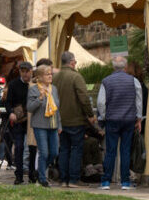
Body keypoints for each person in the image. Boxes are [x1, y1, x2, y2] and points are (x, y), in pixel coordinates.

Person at [97, 55, 143, 190]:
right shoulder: (134, 81)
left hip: (112, 120)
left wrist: (104, 116)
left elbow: (100, 102)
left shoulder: (106, 81)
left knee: (110, 151)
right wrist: (138, 118)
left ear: (113, 67)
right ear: (125, 67)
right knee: (125, 150)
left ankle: (106, 181)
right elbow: (138, 101)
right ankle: (125, 182)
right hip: (129, 120)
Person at [55, 50, 97, 188]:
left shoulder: (54, 78)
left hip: (59, 120)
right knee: (76, 149)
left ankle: (63, 179)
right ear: (72, 62)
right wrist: (90, 115)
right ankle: (73, 179)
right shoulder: (76, 77)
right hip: (75, 120)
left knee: (64, 149)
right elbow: (84, 98)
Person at [27, 63, 61, 187]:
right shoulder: (34, 89)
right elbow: (30, 108)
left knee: (54, 153)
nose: (50, 76)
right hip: (40, 125)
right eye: (47, 74)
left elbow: (57, 108)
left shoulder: (54, 89)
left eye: (51, 74)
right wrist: (40, 98)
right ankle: (42, 178)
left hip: (53, 125)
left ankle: (39, 171)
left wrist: (60, 125)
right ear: (40, 77)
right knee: (44, 152)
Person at [1, 60, 34, 184]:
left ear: (31, 72)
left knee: (32, 148)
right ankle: (19, 175)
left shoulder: (34, 85)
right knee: (19, 147)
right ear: (20, 72)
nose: (25, 74)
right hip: (19, 120)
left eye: (27, 72)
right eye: (23, 71)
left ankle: (32, 175)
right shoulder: (14, 84)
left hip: (31, 121)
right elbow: (7, 102)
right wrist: (11, 113)